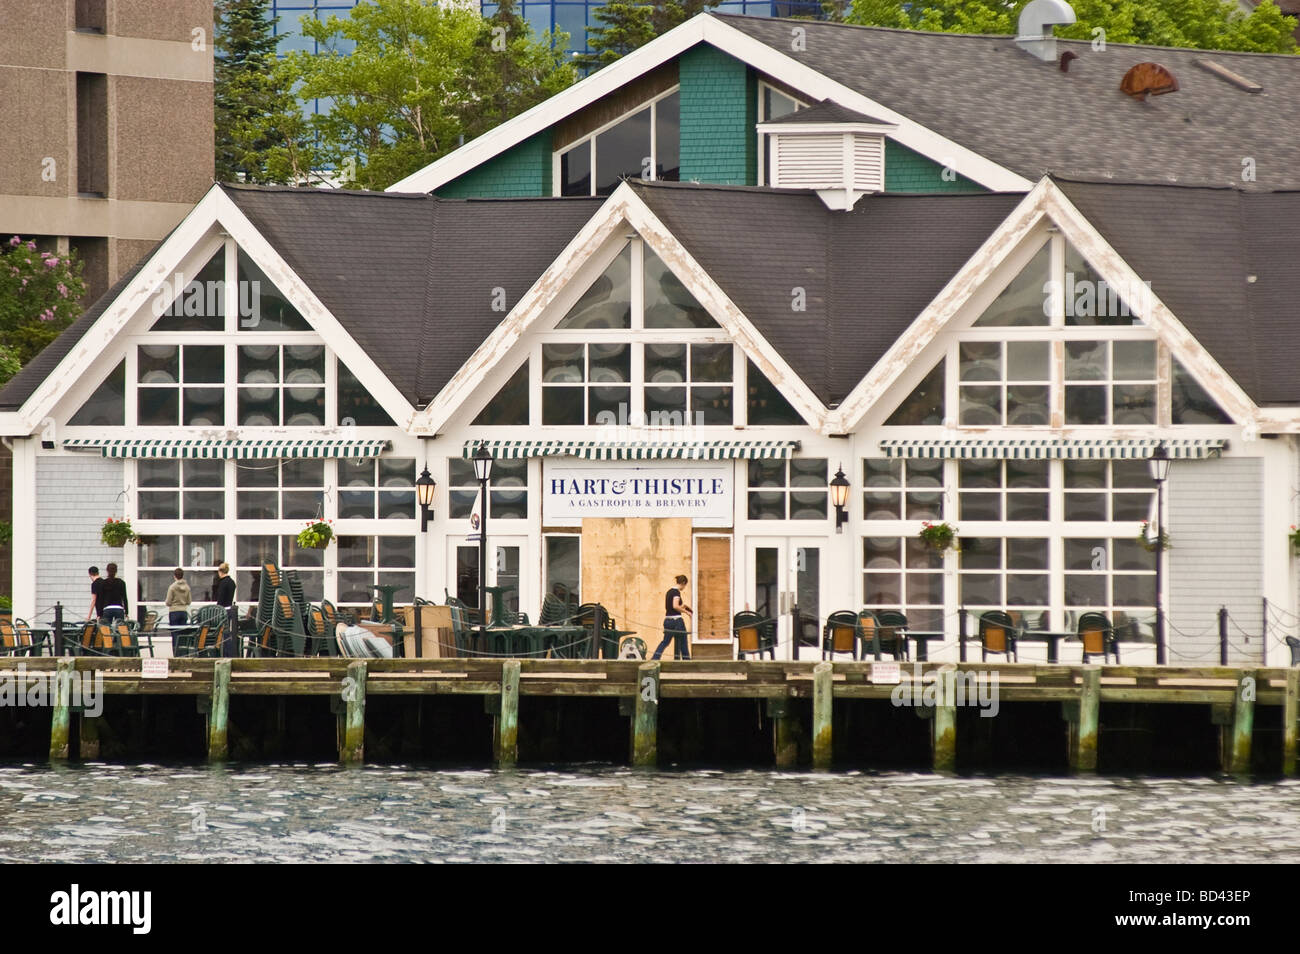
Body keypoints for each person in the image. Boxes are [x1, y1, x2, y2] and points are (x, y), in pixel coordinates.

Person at [652, 574, 692, 661]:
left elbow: (671, 606)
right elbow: (675, 606)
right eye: (685, 585)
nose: (684, 588)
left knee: (665, 642)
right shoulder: (676, 592)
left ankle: (655, 658)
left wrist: (683, 606)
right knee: (683, 642)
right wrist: (687, 612)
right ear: (683, 583)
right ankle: (687, 662)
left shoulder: (669, 592)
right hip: (676, 621)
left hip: (667, 620)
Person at [213, 563, 237, 657]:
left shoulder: (223, 583)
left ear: (220, 571)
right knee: (227, 632)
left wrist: (217, 610)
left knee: (224, 633)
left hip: (223, 610)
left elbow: (221, 598)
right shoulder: (232, 582)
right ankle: (228, 653)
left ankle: (227, 653)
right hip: (229, 608)